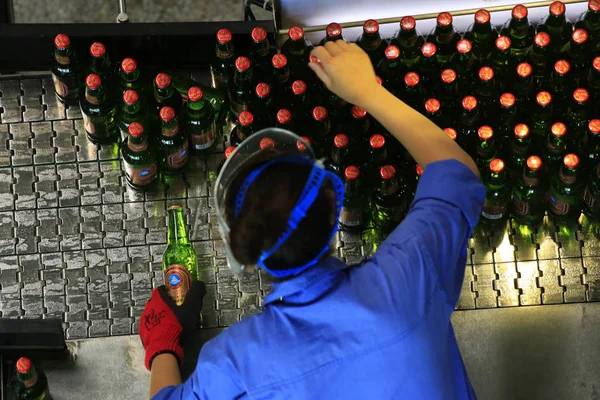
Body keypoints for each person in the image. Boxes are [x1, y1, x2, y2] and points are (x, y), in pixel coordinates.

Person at [139, 40, 486, 399]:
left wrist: (163, 342)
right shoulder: (406, 279)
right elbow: (457, 173)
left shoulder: (237, 361)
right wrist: (367, 92)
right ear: (334, 208)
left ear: (241, 251)